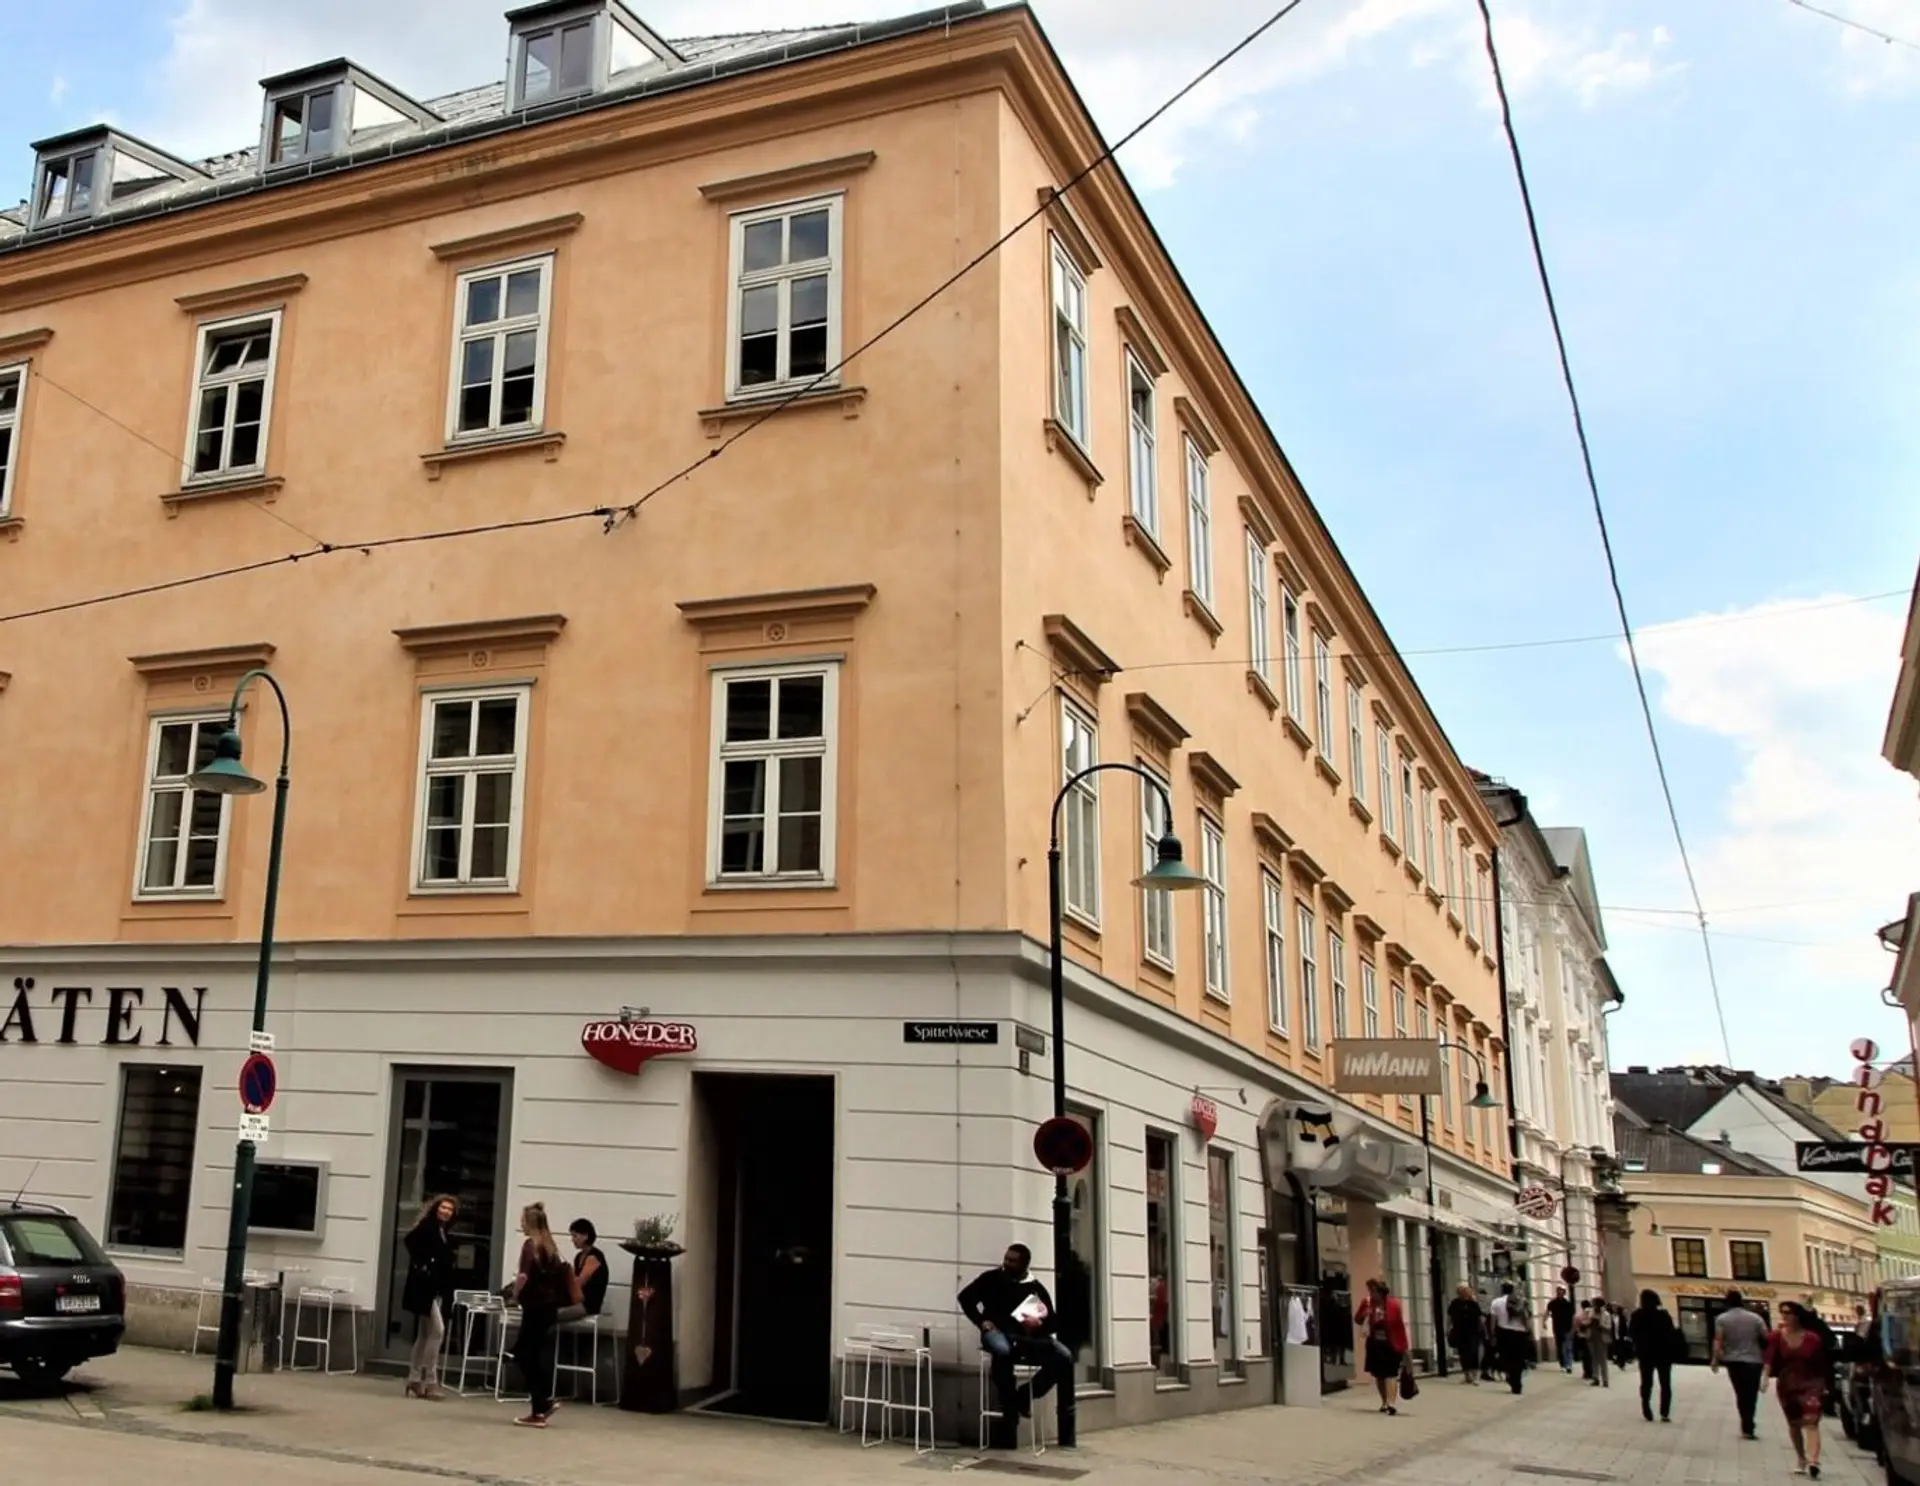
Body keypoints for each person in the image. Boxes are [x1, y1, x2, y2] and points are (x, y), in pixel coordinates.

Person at [958, 1244, 1074, 1448]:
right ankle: (1010, 1408)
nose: (1006, 1263)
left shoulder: (1034, 1287)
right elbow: (965, 1297)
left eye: (1012, 1261)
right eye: (1006, 1259)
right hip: (997, 1331)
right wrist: (981, 1321)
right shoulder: (992, 1278)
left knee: (1065, 1356)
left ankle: (1025, 1395)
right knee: (1003, 1351)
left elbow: (1052, 1321)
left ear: (1024, 1264)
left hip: (1026, 1338)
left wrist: (1037, 1321)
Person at [508, 1201, 583, 1428]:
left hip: (534, 1306)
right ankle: (543, 1403)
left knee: (524, 1355)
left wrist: (514, 1294)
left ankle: (540, 1407)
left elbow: (523, 1276)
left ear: (529, 1223)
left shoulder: (530, 1245)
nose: (521, 1224)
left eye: (523, 1221)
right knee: (534, 1353)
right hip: (549, 1308)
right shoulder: (550, 1246)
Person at [401, 1193, 459, 1400]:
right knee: (438, 1331)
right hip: (425, 1288)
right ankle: (430, 1380)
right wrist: (423, 1264)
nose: (446, 1211)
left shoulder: (443, 1231)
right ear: (435, 1208)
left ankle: (414, 1379)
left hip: (434, 1290)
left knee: (425, 1334)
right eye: (443, 1207)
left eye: (450, 1209)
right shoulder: (428, 1227)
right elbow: (410, 1241)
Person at [1767, 1301, 1829, 1478]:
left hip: (1811, 1383)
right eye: (1782, 1312)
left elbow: (1822, 1362)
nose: (1784, 1316)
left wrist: (1825, 1385)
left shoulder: (1812, 1338)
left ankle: (1814, 1461)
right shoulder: (1776, 1337)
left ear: (1797, 1315)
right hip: (1787, 1384)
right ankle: (1801, 1458)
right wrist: (1764, 1377)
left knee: (1811, 1421)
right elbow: (1769, 1358)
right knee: (1794, 1424)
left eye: (1788, 1312)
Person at [1713, 1289, 1769, 1440]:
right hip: (1754, 1360)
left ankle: (1746, 1424)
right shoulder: (1755, 1318)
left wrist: (1715, 1359)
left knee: (1740, 1393)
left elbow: (1718, 1340)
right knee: (1751, 1394)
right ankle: (1749, 1425)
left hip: (1733, 1361)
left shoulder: (1722, 1319)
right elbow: (1766, 1337)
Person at [1353, 1278, 1409, 1414]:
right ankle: (1384, 1401)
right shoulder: (1367, 1303)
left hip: (1391, 1343)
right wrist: (1364, 1314)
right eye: (1370, 1291)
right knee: (1379, 1374)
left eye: (1373, 1291)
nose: (1371, 1294)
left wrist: (1404, 1346)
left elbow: (1399, 1326)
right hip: (1375, 1344)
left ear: (1381, 1292)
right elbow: (1357, 1319)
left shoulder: (1393, 1305)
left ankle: (1391, 1403)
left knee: (1391, 1373)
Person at [1628, 1289, 1678, 1423]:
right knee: (1665, 1383)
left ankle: (1646, 1407)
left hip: (1645, 1353)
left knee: (1646, 1382)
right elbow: (1671, 1332)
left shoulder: (1637, 1315)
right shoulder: (1663, 1315)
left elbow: (1631, 1333)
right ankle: (1664, 1412)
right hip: (1663, 1353)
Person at [1491, 1282, 1531, 1394]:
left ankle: (1510, 1376)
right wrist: (1529, 1330)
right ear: (1512, 1290)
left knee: (1506, 1357)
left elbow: (1493, 1320)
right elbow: (1526, 1317)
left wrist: (1492, 1334)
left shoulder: (1496, 1302)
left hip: (1504, 1333)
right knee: (1519, 1358)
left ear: (1502, 1290)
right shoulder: (1520, 1301)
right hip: (1520, 1333)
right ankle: (1516, 1381)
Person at [568, 1219, 609, 1316]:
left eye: (575, 1236)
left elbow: (579, 1283)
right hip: (578, 1301)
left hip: (588, 1305)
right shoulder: (578, 1256)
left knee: (553, 1314)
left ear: (586, 1236)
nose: (572, 1239)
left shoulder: (594, 1257)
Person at [1447, 1283, 1484, 1384]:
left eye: (1465, 1291)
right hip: (1459, 1331)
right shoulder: (1455, 1303)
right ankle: (1467, 1375)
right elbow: (1449, 1316)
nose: (1463, 1293)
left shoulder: (1473, 1303)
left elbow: (1480, 1317)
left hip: (1473, 1331)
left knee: (1473, 1352)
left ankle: (1475, 1375)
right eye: (1460, 1291)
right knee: (1463, 1354)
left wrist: (1482, 1329)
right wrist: (1448, 1328)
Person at [1586, 1298, 1614, 1389]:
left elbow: (1609, 1328)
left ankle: (1605, 1380)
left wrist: (1599, 1325)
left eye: (1595, 1304)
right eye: (1593, 1304)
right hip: (1592, 1337)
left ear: (1600, 1305)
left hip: (1602, 1338)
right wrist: (1589, 1324)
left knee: (1602, 1359)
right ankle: (1596, 1378)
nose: (1594, 1306)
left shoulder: (1606, 1314)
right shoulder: (1591, 1313)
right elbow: (1587, 1323)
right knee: (1594, 1359)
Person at [1548, 1286, 1576, 1373]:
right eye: (1558, 1291)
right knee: (1560, 1347)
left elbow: (1573, 1316)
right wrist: (1544, 1322)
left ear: (1564, 1293)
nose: (1559, 1293)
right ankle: (1563, 1364)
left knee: (1568, 1347)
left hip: (1568, 1328)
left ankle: (1569, 1365)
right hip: (1557, 1328)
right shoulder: (1552, 1303)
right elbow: (1547, 1312)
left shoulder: (1568, 1304)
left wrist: (1573, 1327)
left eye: (1561, 1291)